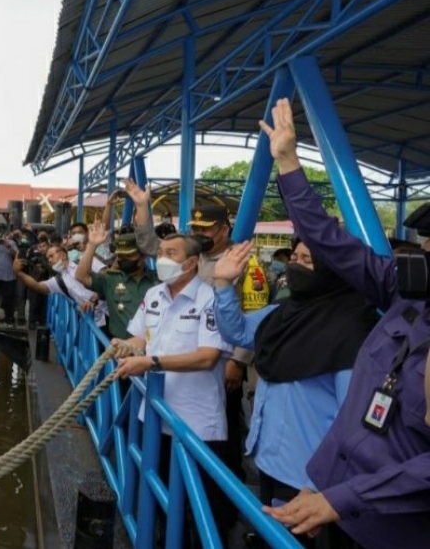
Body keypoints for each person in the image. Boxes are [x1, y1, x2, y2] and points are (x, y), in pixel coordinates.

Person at [259, 97, 430, 547]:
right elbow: (329, 243)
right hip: (334, 505)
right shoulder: (405, 295)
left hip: (389, 530)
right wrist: (289, 163)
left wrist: (343, 498)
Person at [214, 239, 376, 548]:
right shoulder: (285, 311)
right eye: (296, 258)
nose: (296, 267)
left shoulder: (353, 329)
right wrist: (223, 283)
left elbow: (351, 418)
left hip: (311, 480)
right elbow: (238, 333)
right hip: (268, 459)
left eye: (309, 261)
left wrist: (319, 485)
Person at [110, 233, 235, 540]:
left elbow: (207, 357)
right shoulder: (154, 294)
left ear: (191, 263)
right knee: (158, 495)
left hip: (193, 422)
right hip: (154, 414)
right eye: (161, 251)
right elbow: (142, 337)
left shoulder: (210, 300)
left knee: (198, 509)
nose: (162, 258)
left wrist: (151, 363)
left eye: (171, 253)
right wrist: (126, 346)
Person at [75, 221, 159, 340]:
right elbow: (81, 276)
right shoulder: (111, 279)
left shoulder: (158, 281)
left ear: (143, 256)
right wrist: (92, 245)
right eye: (120, 256)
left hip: (152, 348)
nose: (124, 260)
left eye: (129, 256)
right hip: (121, 347)